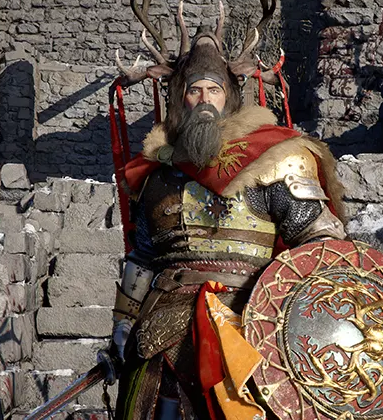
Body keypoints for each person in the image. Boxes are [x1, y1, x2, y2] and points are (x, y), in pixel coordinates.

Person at [111, 26, 347, 420]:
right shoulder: (158, 175)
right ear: (181, 98)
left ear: (230, 97)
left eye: (214, 90)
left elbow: (321, 246)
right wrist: (122, 322)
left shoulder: (275, 160)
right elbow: (143, 258)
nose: (205, 99)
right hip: (160, 332)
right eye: (195, 90)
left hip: (251, 328)